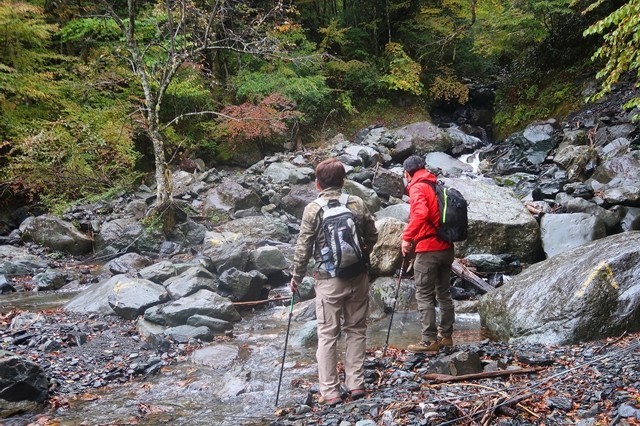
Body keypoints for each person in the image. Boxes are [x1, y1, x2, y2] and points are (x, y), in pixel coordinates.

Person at [290, 158, 378, 407]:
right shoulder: (356, 203)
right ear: (343, 181)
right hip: (358, 276)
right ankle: (356, 384)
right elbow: (373, 235)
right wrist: (363, 254)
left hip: (328, 280)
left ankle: (330, 392)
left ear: (317, 184)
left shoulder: (313, 209)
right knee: (356, 330)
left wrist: (296, 278)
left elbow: (303, 248)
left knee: (327, 335)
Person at [401, 155, 455, 353]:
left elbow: (421, 214)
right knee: (444, 293)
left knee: (424, 294)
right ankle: (446, 336)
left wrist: (407, 237)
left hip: (428, 249)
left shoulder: (417, 187)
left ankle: (429, 340)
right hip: (446, 247)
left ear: (407, 173)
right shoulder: (435, 184)